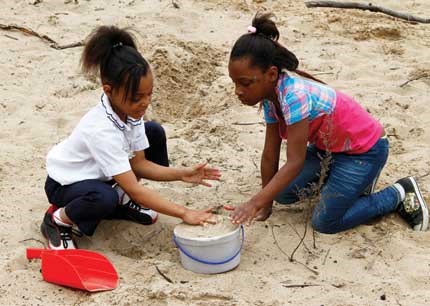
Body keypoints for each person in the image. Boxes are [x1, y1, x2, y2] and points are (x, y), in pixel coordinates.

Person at [227, 13, 428, 233]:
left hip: (365, 151)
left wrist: (254, 202)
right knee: (282, 193)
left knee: (324, 222)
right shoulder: (269, 97)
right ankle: (354, 185)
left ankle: (398, 193)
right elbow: (270, 153)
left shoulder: (294, 96)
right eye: (235, 83)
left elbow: (294, 162)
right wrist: (265, 203)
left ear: (272, 74)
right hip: (330, 150)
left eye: (245, 83)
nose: (238, 91)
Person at [41, 26, 221, 250]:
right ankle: (58, 220)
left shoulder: (129, 111)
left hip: (101, 176)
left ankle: (118, 200)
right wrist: (185, 213)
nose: (145, 103)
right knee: (103, 197)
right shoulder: (101, 130)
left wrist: (182, 174)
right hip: (65, 184)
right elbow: (136, 188)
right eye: (137, 97)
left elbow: (139, 164)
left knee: (153, 132)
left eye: (149, 94)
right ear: (108, 90)